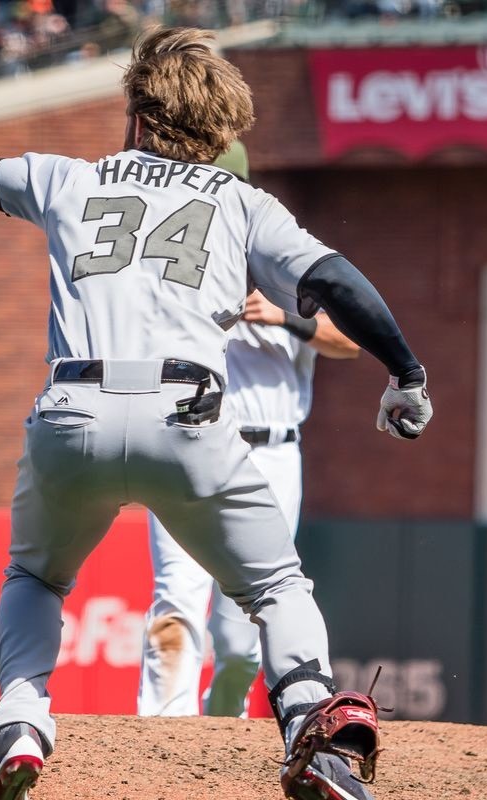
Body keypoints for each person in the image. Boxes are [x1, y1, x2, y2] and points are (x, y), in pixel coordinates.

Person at [0, 26, 432, 800]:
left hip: (72, 412)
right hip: (190, 418)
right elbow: (337, 279)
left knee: (35, 577)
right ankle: (312, 730)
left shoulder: (68, 178)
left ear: (137, 115)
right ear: (218, 129)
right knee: (275, 589)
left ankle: (23, 725)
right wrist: (405, 371)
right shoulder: (242, 201)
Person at [137, 145, 361, 720]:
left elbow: (351, 341)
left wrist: (286, 316)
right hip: (188, 439)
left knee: (241, 640)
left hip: (273, 454)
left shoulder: (282, 267)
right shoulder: (174, 264)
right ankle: (159, 743)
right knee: (177, 598)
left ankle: (220, 730)